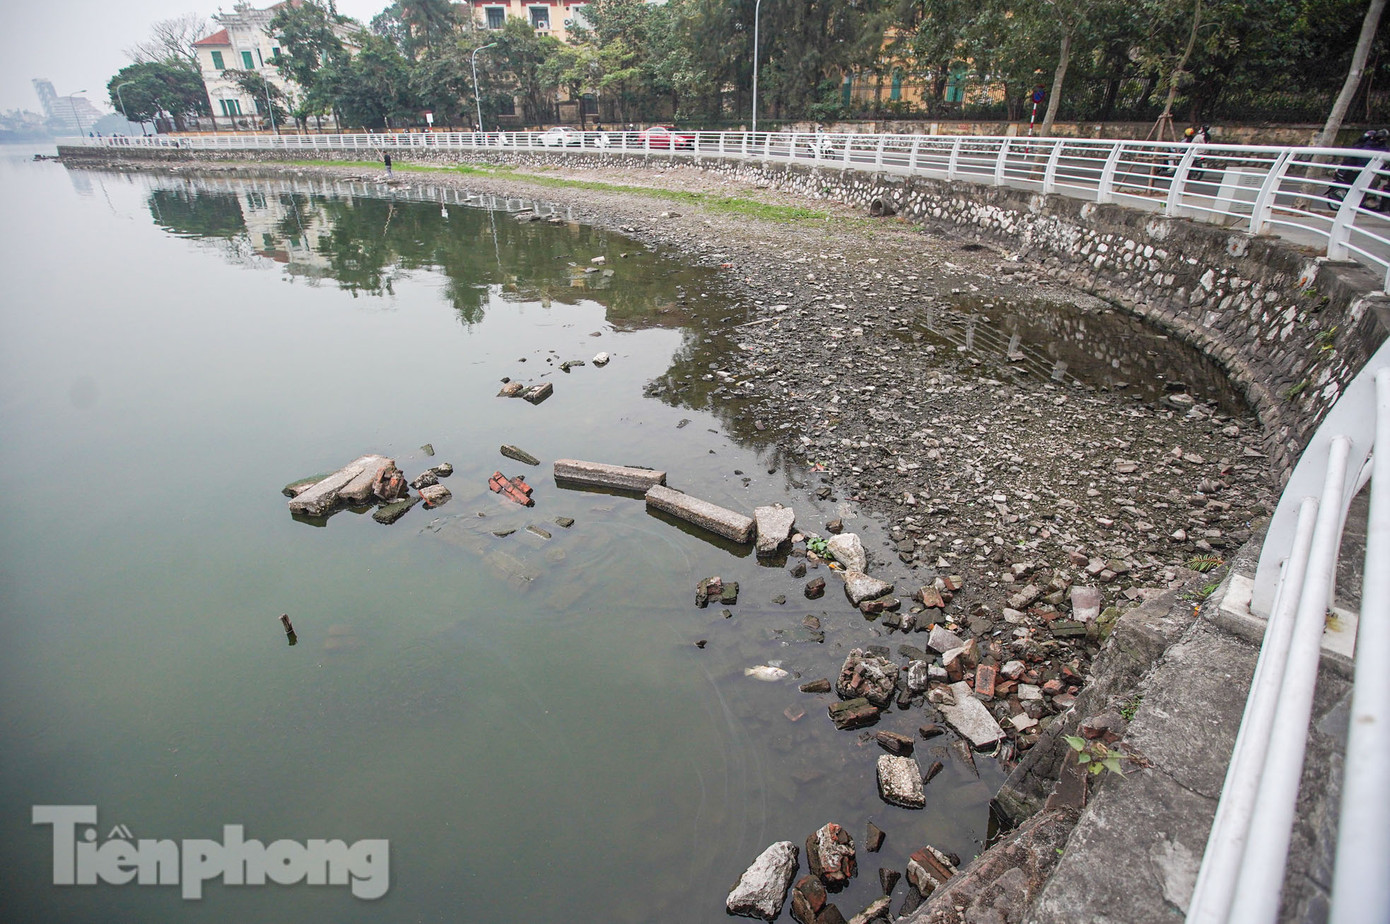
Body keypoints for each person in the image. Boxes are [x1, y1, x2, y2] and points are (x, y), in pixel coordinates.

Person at [1327, 129, 1389, 208]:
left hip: (1377, 169)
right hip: (1358, 170)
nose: (1382, 140)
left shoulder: (1384, 147)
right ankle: (1370, 198)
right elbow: (1360, 160)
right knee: (1374, 177)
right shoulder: (1363, 147)